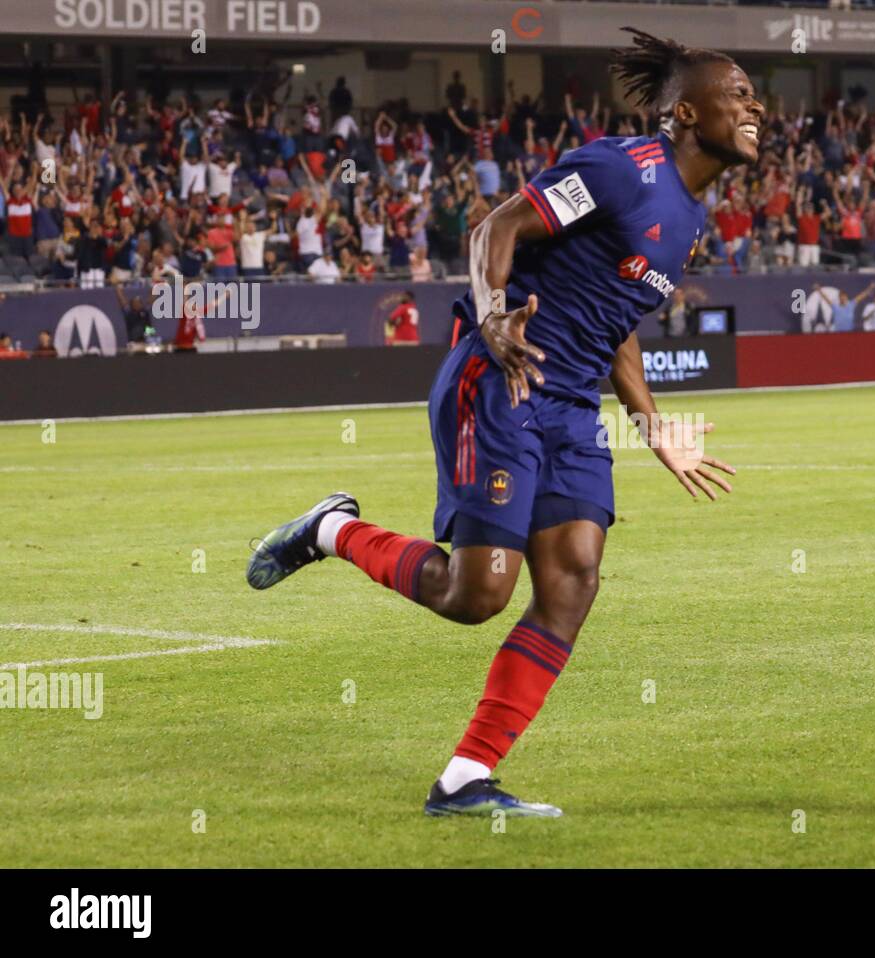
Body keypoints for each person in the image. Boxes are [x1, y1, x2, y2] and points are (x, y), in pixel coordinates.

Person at [246, 29, 749, 818]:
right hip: (504, 378)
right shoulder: (620, 169)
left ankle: (464, 779)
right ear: (685, 111)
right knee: (477, 593)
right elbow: (495, 229)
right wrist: (492, 320)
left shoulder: (687, 218)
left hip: (574, 406)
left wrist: (651, 422)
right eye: (739, 94)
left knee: (574, 575)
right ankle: (331, 532)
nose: (755, 107)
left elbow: (614, 316)